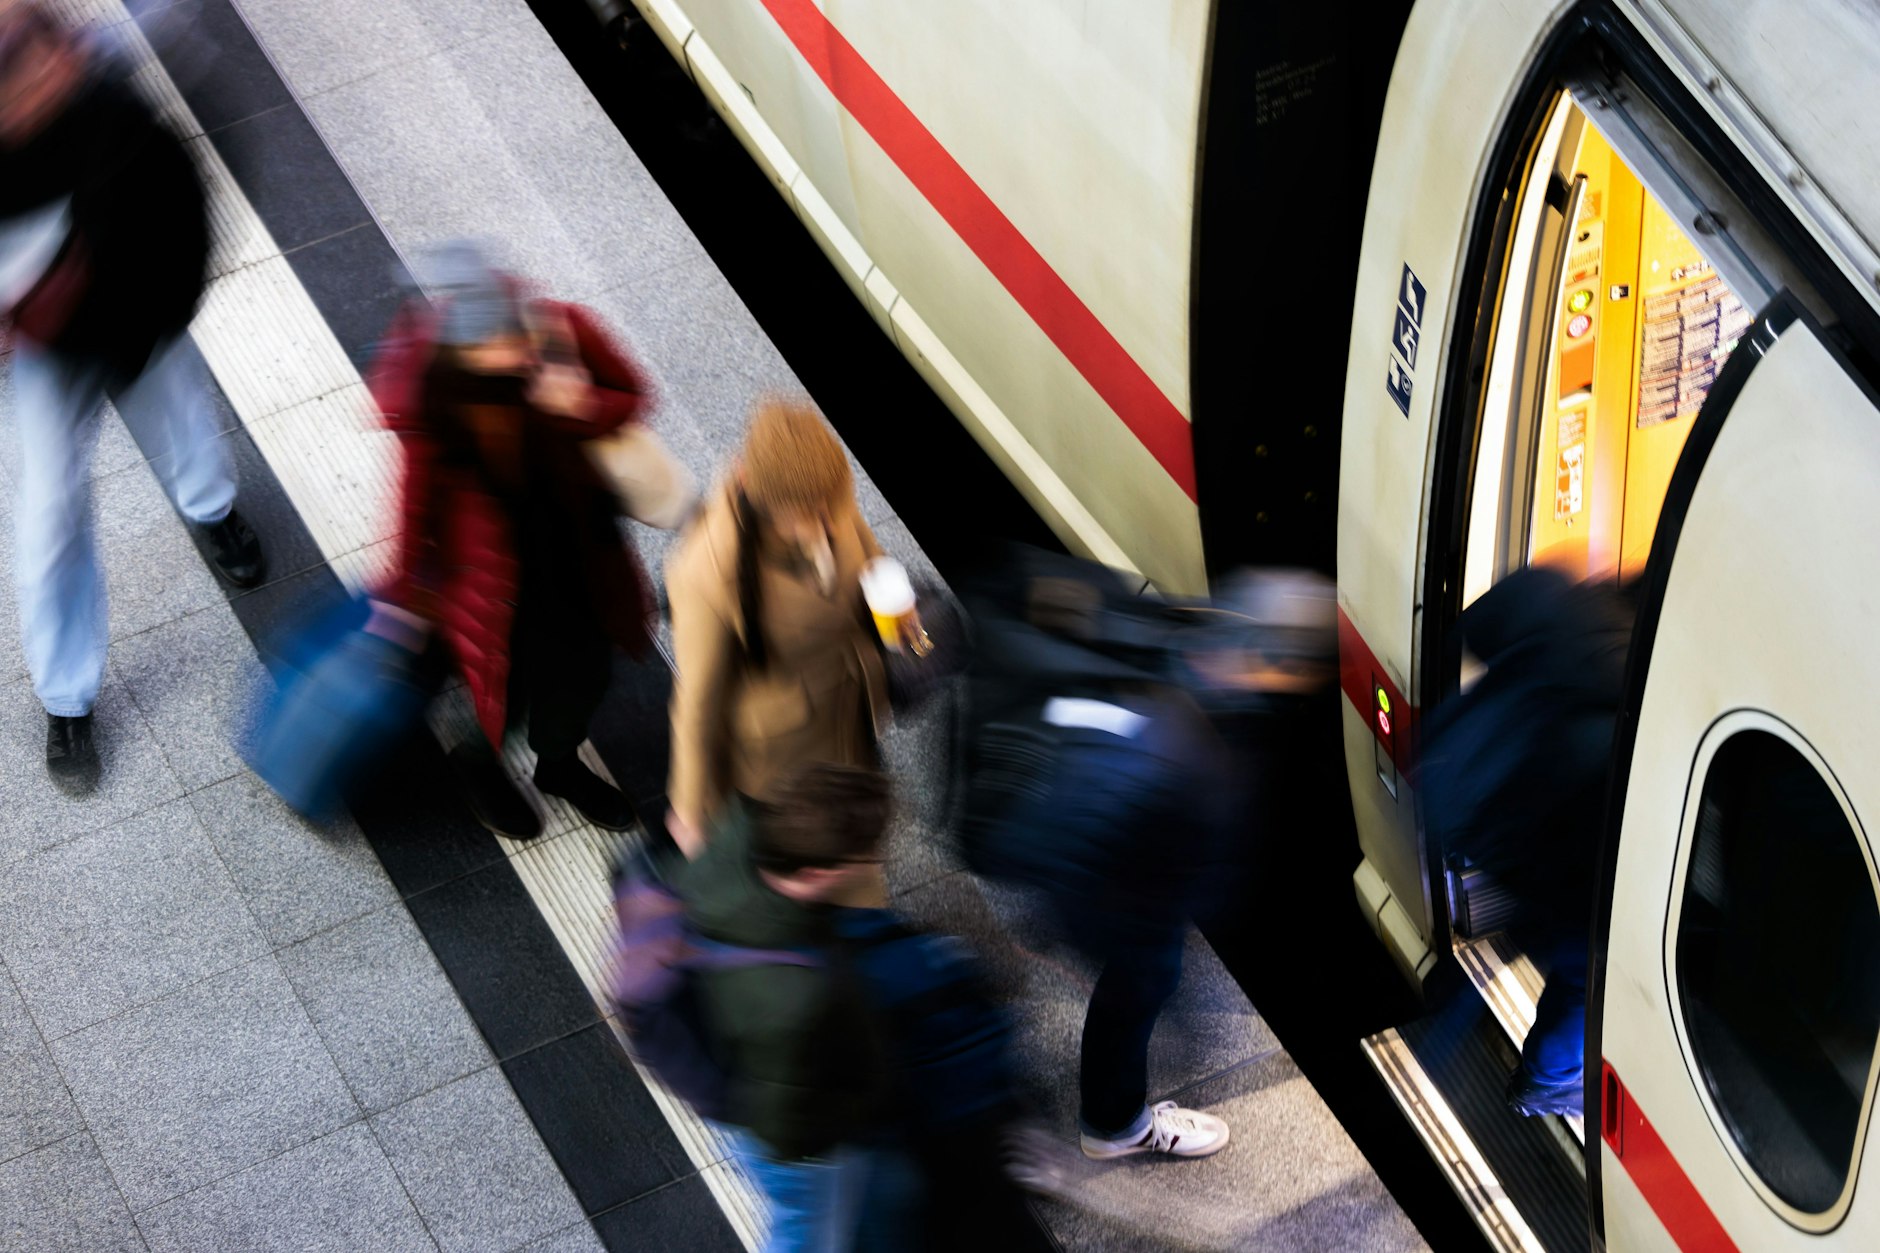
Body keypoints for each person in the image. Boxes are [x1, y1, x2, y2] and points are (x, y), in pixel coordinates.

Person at [956, 551, 1339, 1161]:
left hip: (1052, 803)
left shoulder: (1172, 631)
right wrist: (1161, 978)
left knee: (1144, 963)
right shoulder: (1197, 764)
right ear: (1285, 663)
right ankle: (1115, 1127)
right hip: (1099, 876)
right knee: (1145, 977)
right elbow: (1151, 885)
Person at [0, 1, 263, 793]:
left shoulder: (116, 116)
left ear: (59, 54)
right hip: (46, 345)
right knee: (48, 508)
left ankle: (213, 511)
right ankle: (66, 694)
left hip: (135, 317)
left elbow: (192, 218)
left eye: (26, 59)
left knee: (183, 416)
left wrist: (155, 318)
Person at [367, 240, 656, 839]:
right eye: (496, 345)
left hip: (578, 556)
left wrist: (582, 402)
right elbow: (415, 497)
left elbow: (632, 394)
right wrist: (399, 592)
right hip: (492, 584)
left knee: (584, 676)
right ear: (463, 350)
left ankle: (559, 765)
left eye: (514, 333)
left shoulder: (563, 331)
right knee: (506, 689)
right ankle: (476, 762)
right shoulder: (436, 391)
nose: (519, 352)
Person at [1415, 564, 1634, 1118]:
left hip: (1457, 769)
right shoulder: (1631, 729)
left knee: (1564, 934)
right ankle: (1548, 1082)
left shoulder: (1576, 599)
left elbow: (1472, 625)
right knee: (1586, 968)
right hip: (1509, 815)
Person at [676, 763, 896, 1252]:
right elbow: (788, 1122)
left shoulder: (734, 836)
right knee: (809, 1234)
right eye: (864, 856)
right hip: (795, 1144)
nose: (875, 861)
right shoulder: (800, 999)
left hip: (732, 1059)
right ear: (816, 873)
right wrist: (853, 1112)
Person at [665, 401, 889, 868]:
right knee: (811, 864)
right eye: (810, 514)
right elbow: (698, 701)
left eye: (834, 504)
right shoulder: (706, 573)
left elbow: (866, 550)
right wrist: (690, 810)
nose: (831, 523)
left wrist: (896, 601)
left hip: (848, 701)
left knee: (851, 830)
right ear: (762, 499)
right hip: (784, 753)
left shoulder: (824, 493)